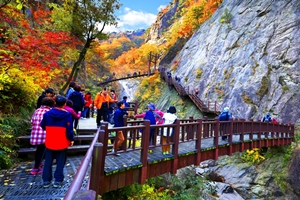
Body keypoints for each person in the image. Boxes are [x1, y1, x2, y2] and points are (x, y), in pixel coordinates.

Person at [40, 95, 74, 188]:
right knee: (60, 161)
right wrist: (71, 139)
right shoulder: (67, 115)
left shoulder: (47, 114)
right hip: (62, 141)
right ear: (64, 104)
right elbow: (69, 129)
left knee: (48, 161)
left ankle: (46, 181)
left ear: (55, 103)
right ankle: (58, 181)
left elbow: (42, 125)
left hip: (50, 140)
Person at [30, 97, 55, 175]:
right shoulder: (50, 112)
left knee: (39, 150)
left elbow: (32, 121)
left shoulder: (37, 111)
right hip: (45, 134)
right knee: (43, 151)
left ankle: (38, 164)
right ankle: (36, 168)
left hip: (36, 134)